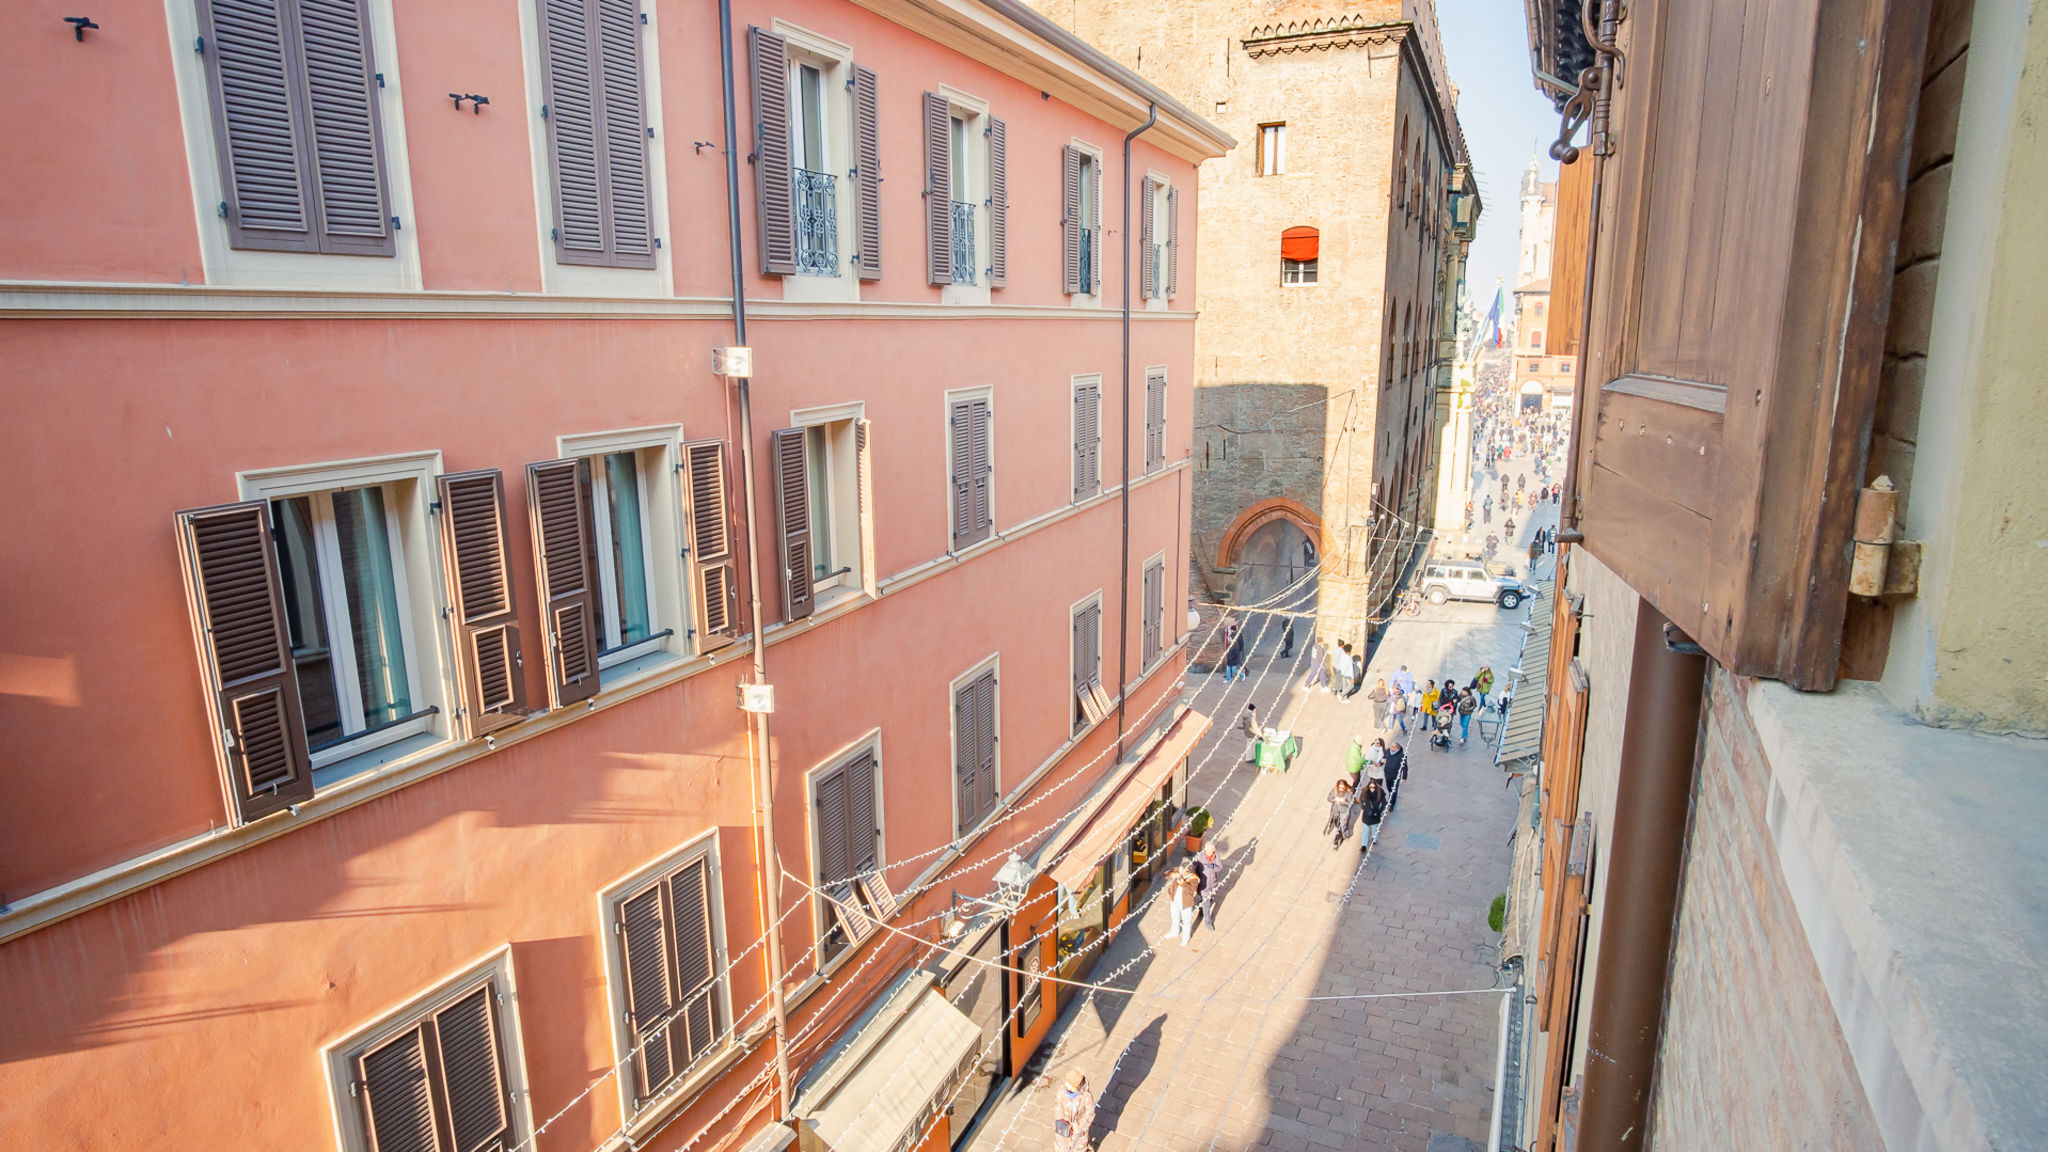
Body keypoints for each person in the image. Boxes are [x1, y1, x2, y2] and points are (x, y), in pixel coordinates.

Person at [1053, 1068, 1096, 1152]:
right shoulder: (1062, 1091)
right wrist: (1061, 1120)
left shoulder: (1085, 1096)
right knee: (1060, 1146)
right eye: (1066, 1082)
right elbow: (1058, 1104)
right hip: (1063, 1126)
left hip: (1078, 1129)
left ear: (1075, 1086)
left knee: (1079, 1147)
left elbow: (1090, 1113)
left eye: (1068, 1084)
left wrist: (1080, 1126)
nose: (1065, 1084)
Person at [1165, 861, 1200, 946]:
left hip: (1185, 903)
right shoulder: (1180, 874)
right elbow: (1170, 880)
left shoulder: (1194, 879)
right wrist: (1170, 891)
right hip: (1175, 901)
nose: (1181, 870)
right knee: (1174, 916)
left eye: (1183, 869)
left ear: (1187, 871)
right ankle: (1174, 931)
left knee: (1186, 921)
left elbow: (1191, 891)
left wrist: (1183, 884)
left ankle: (1185, 938)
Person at [1323, 777, 1358, 847]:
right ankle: (1336, 829)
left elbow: (1351, 803)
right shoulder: (1335, 790)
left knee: (1342, 825)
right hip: (1336, 810)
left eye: (1342, 788)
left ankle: (1337, 839)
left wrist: (1344, 802)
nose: (1341, 789)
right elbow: (1329, 798)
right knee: (1336, 822)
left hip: (1344, 811)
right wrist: (1335, 799)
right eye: (1339, 787)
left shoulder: (1348, 792)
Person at [1358, 776, 1389, 852]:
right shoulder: (1364, 792)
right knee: (1365, 830)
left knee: (1375, 828)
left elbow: (1384, 803)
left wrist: (1380, 810)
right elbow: (1361, 800)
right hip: (1367, 814)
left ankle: (1374, 838)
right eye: (1370, 787)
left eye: (1373, 787)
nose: (1372, 789)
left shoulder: (1380, 793)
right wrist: (1363, 808)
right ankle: (1364, 845)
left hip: (1375, 814)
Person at [1196, 844, 1222, 930]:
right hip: (1204, 886)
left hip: (1213, 884)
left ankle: (1201, 909)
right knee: (1206, 905)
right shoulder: (1200, 857)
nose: (1208, 852)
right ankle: (1208, 922)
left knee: (1210, 900)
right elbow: (1194, 867)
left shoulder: (1216, 856)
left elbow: (1219, 868)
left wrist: (1213, 866)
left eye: (1210, 851)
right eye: (1207, 850)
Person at [1383, 740, 1408, 811]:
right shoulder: (1388, 751)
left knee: (1394, 790)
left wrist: (1404, 777)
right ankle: (1391, 796)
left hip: (1395, 777)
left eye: (1393, 747)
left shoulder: (1402, 756)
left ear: (1397, 748)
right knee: (1389, 788)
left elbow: (1405, 767)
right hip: (1387, 774)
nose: (1390, 747)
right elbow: (1384, 757)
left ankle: (1392, 804)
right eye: (1391, 746)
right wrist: (1382, 761)